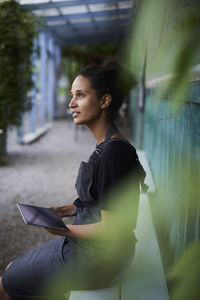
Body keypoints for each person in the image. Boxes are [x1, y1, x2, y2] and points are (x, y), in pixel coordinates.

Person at [0, 58, 147, 299]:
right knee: (11, 271)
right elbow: (99, 201)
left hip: (99, 260)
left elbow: (113, 229)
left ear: (104, 101)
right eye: (71, 95)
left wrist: (63, 230)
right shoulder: (109, 145)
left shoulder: (113, 154)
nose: (71, 103)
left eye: (80, 95)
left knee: (6, 285)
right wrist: (63, 210)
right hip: (92, 250)